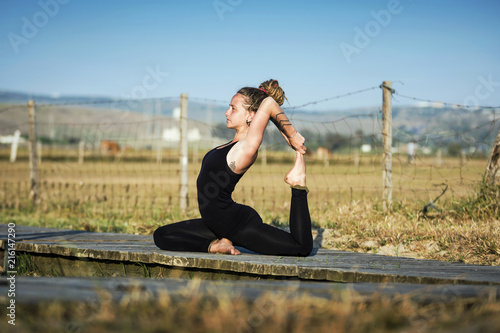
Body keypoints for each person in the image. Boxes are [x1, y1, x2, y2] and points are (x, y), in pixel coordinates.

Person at [153, 79, 313, 256]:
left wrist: (292, 135)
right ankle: (216, 245)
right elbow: (268, 107)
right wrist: (284, 131)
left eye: (233, 108)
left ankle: (298, 182)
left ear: (250, 115)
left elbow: (268, 103)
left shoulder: (246, 148)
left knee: (301, 247)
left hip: (238, 225)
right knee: (162, 235)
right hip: (216, 223)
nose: (226, 112)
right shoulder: (231, 144)